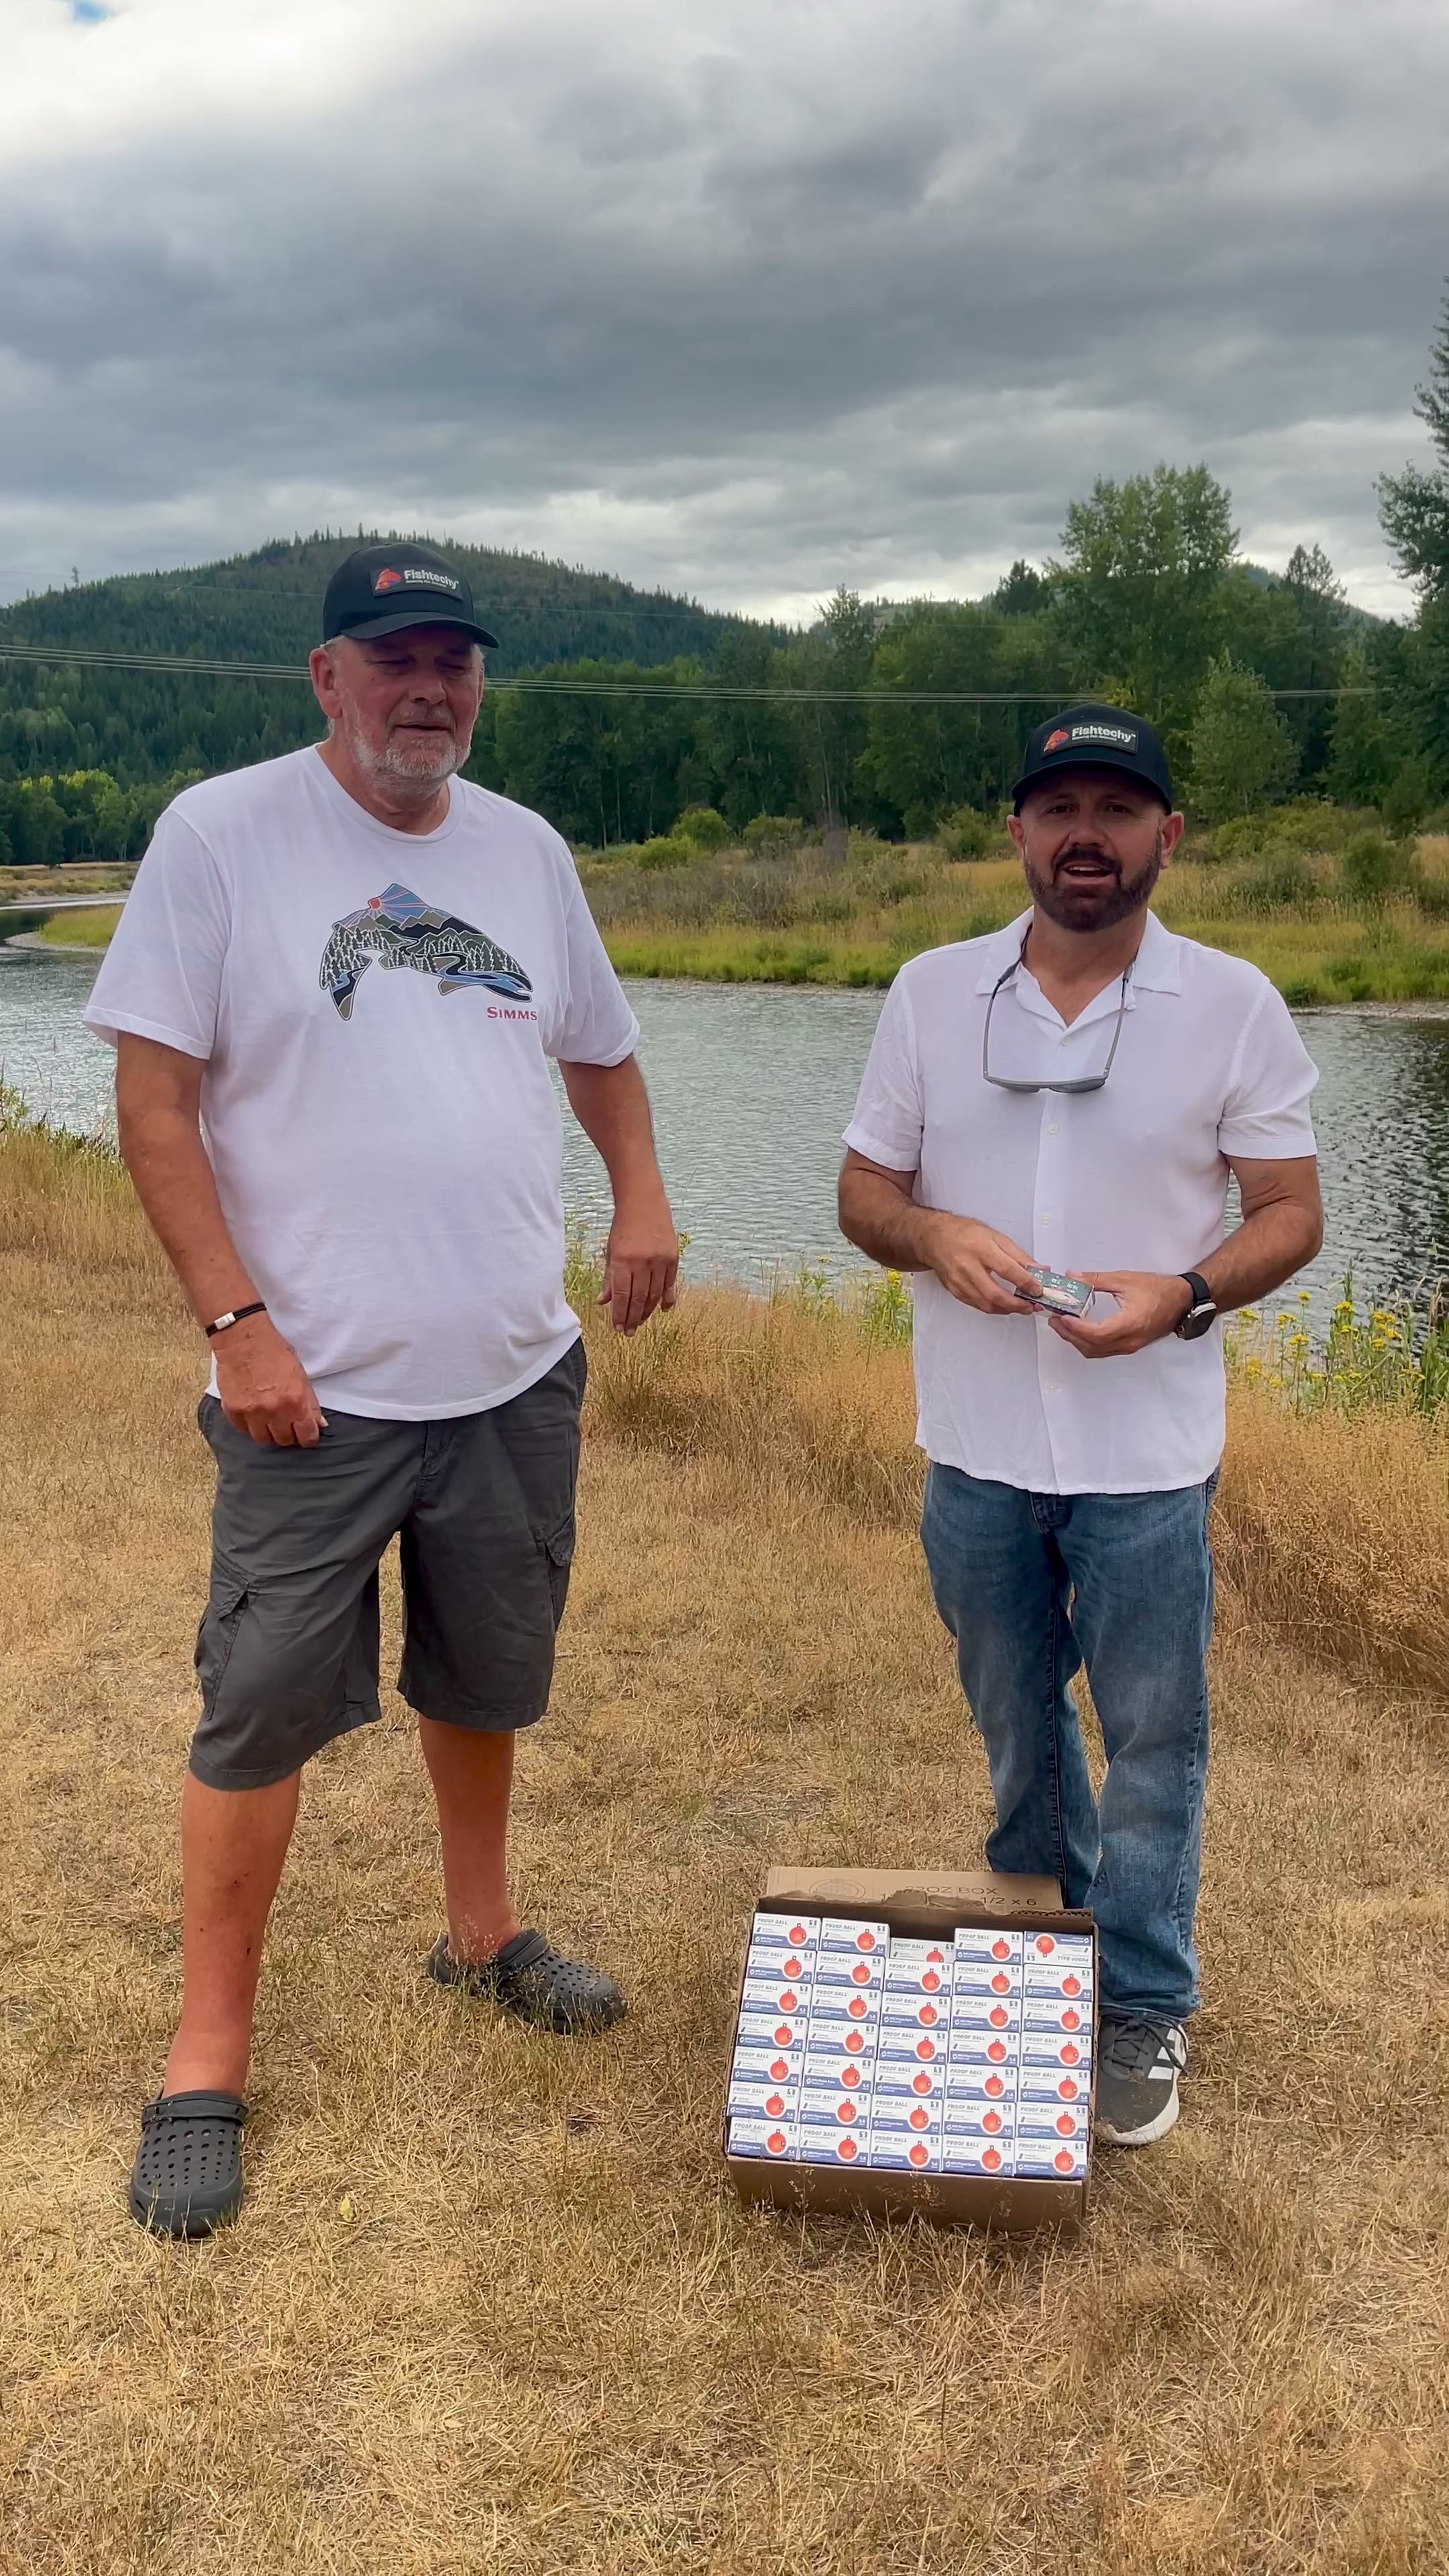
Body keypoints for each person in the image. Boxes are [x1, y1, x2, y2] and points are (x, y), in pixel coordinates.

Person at [85, 540, 680, 2237]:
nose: (430, 689)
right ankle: (207, 2056)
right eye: (396, 658)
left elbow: (601, 1046)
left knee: (485, 1675)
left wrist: (641, 1199)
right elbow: (153, 1105)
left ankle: (481, 1938)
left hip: (509, 1367)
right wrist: (235, 1323)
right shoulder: (222, 835)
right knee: (260, 1700)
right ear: (328, 678)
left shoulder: (525, 850)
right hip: (308, 1385)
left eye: (455, 662)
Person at [838, 702, 1322, 2149]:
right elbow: (863, 1196)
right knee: (1017, 1720)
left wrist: (1184, 1293)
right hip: (976, 1445)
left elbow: (1290, 1213)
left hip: (1145, 1457)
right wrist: (933, 1236)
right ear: (1018, 832)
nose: (1086, 836)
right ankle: (1041, 1958)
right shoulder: (932, 992)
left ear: (1168, 835)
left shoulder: (1234, 1005)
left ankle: (1144, 1999)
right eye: (1059, 810)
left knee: (1155, 1736)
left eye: (1117, 810)